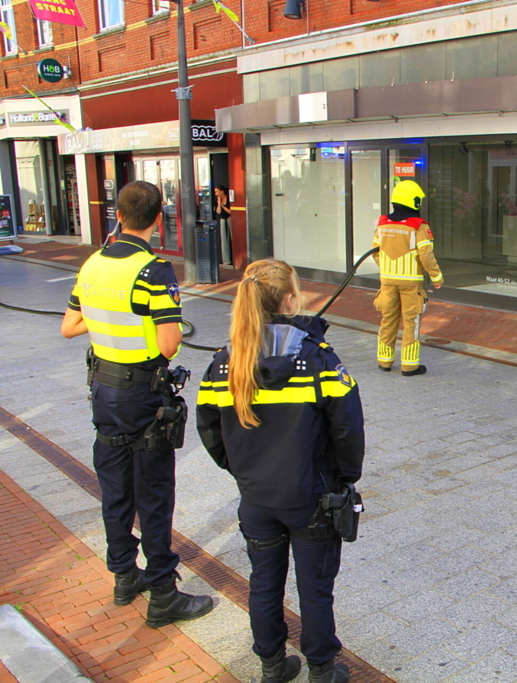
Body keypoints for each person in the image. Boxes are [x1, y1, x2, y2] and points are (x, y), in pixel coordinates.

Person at [196, 259, 364, 683]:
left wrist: (243, 471)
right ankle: (322, 670)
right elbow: (348, 427)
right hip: (310, 495)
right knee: (315, 587)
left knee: (263, 583)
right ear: (290, 300)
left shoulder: (224, 362)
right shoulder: (318, 359)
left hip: (256, 498)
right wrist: (345, 477)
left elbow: (209, 429)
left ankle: (272, 665)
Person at [60, 180, 214, 628]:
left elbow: (69, 326)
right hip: (142, 395)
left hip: (103, 393)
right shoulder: (152, 270)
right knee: (154, 492)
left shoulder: (91, 265)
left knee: (115, 488)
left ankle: (125, 576)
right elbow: (168, 345)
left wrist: (109, 315)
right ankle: (164, 593)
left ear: (119, 215)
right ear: (157, 218)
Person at [372, 180, 443, 376]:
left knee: (387, 320)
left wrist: (387, 268)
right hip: (411, 283)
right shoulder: (418, 226)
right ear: (415, 202)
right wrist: (436, 277)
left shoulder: (382, 224)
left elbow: (375, 252)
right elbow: (426, 255)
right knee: (411, 322)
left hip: (387, 281)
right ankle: (409, 365)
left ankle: (384, 361)